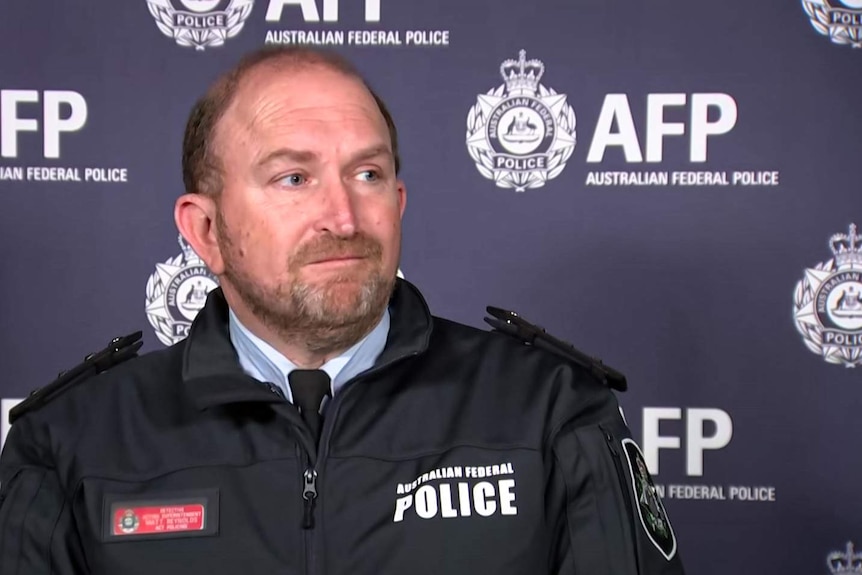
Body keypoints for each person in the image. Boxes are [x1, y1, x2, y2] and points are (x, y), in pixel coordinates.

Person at [0, 47, 685, 575]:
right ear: (205, 231)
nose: (343, 216)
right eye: (293, 177)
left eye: (368, 173)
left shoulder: (551, 411)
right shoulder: (71, 443)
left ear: (400, 202)